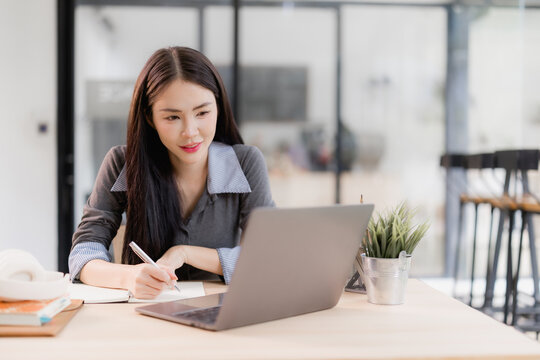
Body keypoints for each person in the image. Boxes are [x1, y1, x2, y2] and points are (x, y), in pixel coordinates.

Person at [68, 46, 274, 299]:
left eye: (202, 113)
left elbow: (267, 258)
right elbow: (83, 254)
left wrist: (184, 252)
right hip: (144, 310)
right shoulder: (122, 163)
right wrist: (129, 277)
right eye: (173, 117)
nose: (190, 131)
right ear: (150, 118)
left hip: (222, 309)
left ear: (218, 108)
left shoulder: (245, 163)